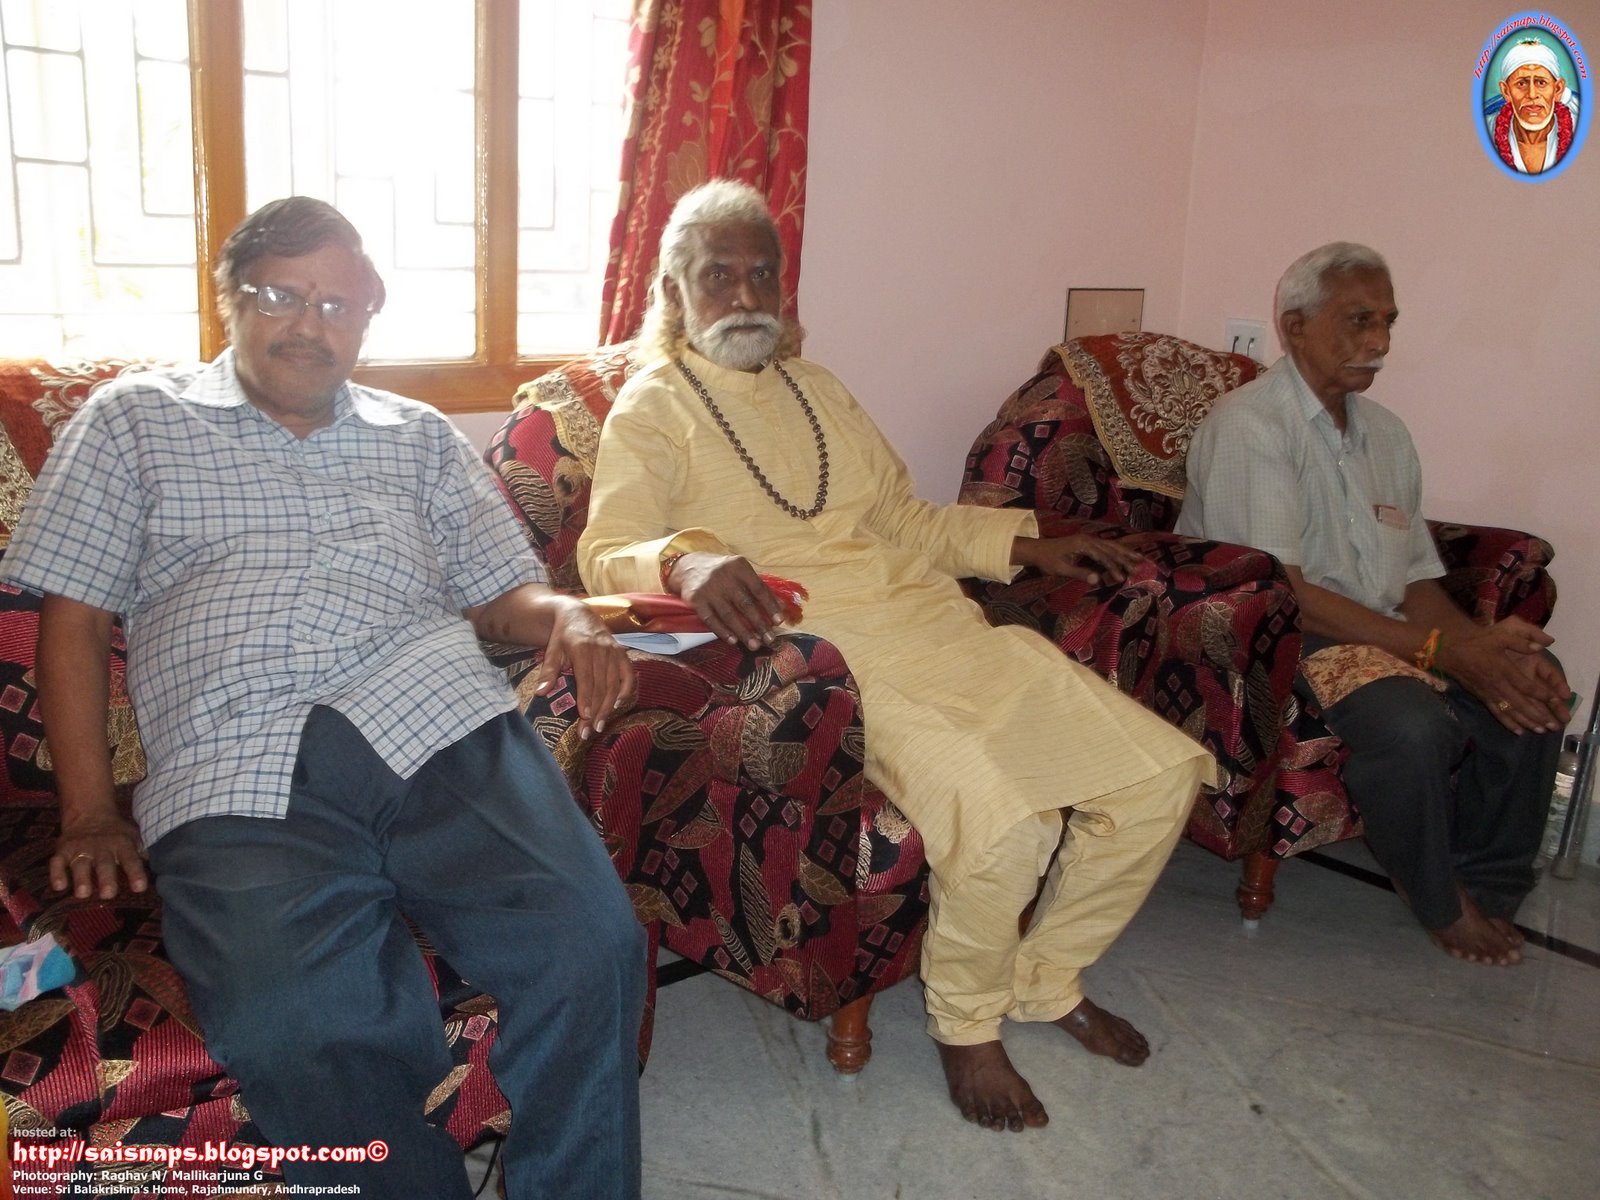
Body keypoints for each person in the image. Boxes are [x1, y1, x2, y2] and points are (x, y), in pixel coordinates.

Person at [2, 197, 646, 1199]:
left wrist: (568, 616)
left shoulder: (419, 436)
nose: (311, 323)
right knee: (292, 1021)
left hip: (437, 718)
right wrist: (89, 811)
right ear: (229, 301)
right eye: (280, 295)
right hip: (234, 753)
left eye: (339, 302)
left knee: (587, 944)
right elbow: (74, 620)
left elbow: (496, 590)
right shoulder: (133, 421)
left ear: (370, 313)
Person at [576, 179, 1213, 1133]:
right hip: (829, 664)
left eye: (764, 275)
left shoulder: (820, 387)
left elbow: (901, 520)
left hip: (943, 628)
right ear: (674, 294)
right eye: (719, 277)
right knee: (1003, 823)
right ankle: (966, 1027)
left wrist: (1028, 545)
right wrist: (684, 555)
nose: (746, 296)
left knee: (1160, 775)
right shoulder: (653, 407)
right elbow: (603, 553)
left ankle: (1041, 981)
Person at [1177, 241, 1570, 967]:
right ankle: (1439, 900)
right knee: (1410, 724)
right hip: (1278, 634)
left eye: (1387, 320)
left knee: (1534, 687)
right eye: (1359, 320)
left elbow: (1416, 579)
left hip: (1377, 628)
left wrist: (1479, 647)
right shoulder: (1250, 426)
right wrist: (1438, 653)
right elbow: (1283, 591)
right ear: (1294, 327)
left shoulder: (1386, 435)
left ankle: (1489, 884)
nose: (1380, 341)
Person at [1488, 37, 1578, 175]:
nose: (1531, 94)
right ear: (1506, 91)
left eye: (1541, 83)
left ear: (1558, 89)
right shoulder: (1487, 129)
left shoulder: (1580, 129)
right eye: (1521, 84)